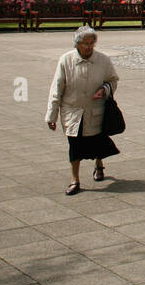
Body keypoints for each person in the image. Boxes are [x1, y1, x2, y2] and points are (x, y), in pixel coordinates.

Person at [46, 26, 120, 195]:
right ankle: (75, 180)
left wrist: (105, 89)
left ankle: (99, 164)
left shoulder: (103, 60)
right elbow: (56, 88)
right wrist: (52, 115)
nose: (88, 47)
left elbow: (113, 79)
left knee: (98, 142)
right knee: (75, 146)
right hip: (73, 112)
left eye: (91, 43)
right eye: (84, 43)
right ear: (77, 44)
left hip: (96, 110)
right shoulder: (65, 60)